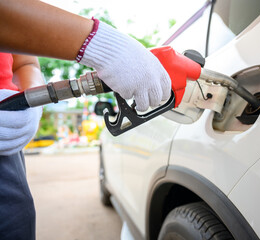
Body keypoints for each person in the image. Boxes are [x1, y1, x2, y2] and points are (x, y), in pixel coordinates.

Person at [0, 0, 171, 239]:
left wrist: (29, 99)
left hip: (5, 138)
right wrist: (99, 43)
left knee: (15, 224)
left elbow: (25, 62)